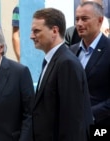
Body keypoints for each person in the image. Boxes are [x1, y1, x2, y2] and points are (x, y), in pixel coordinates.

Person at [30, 8, 93, 141]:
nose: (31, 36)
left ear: (54, 31)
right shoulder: (52, 60)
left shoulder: (66, 63)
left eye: (37, 31)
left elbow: (72, 119)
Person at [70, 1, 110, 126]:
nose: (79, 24)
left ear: (100, 20)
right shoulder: (71, 51)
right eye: (77, 19)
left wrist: (90, 115)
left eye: (85, 19)